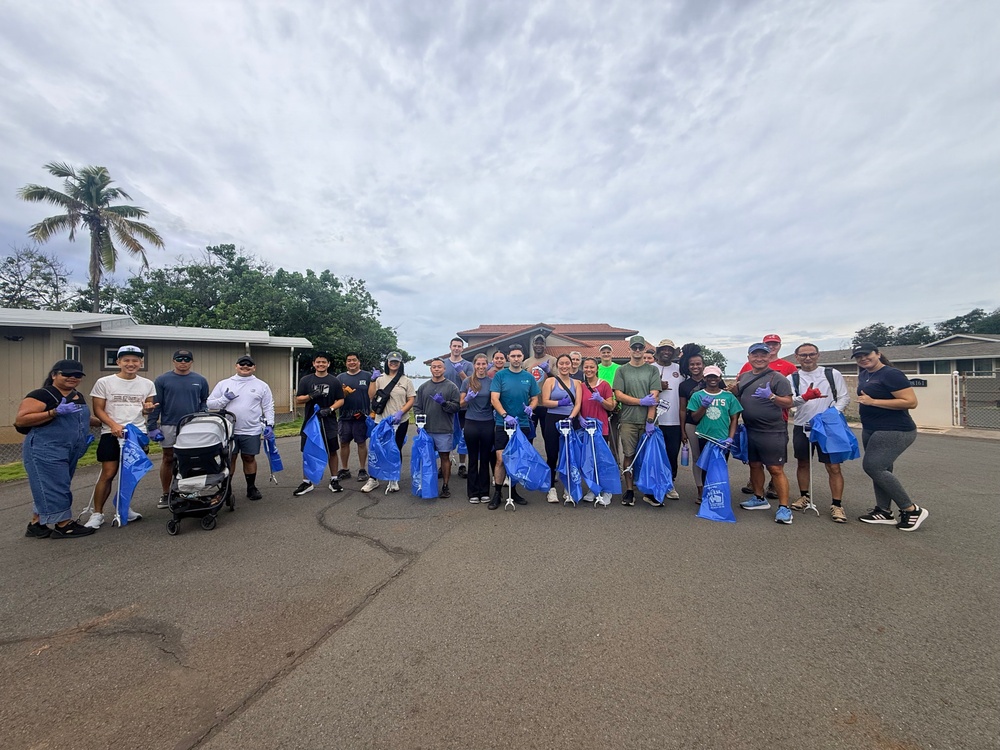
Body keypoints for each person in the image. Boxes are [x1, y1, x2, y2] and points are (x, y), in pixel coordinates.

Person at [18, 360, 99, 538]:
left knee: (49, 485)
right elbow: (21, 420)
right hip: (46, 448)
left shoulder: (77, 396)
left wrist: (107, 421)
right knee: (56, 486)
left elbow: (84, 418)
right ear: (54, 375)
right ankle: (64, 525)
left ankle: (37, 524)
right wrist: (53, 412)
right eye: (67, 374)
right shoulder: (41, 395)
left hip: (70, 449)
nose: (72, 378)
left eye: (77, 375)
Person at [852, 342, 927, 530]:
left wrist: (873, 401)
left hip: (895, 429)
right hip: (871, 429)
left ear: (878, 354)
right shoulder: (865, 374)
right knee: (883, 469)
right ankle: (883, 511)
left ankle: (911, 509)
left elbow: (910, 402)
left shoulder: (891, 374)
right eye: (859, 356)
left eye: (867, 354)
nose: (863, 358)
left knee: (873, 467)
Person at [85, 345, 156, 528]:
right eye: (126, 360)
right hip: (111, 433)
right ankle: (97, 513)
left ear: (140, 362)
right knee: (108, 473)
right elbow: (98, 409)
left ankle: (123, 507)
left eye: (135, 360)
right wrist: (113, 425)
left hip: (136, 434)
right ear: (118, 362)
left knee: (130, 474)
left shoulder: (147, 384)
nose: (131, 364)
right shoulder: (104, 382)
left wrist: (147, 409)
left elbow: (147, 408)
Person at [786, 343, 851, 523]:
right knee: (803, 463)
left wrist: (832, 413)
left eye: (811, 354)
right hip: (802, 424)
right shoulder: (792, 378)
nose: (808, 358)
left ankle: (837, 504)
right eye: (803, 355)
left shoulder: (832, 374)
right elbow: (789, 402)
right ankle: (804, 495)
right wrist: (805, 397)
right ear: (797, 357)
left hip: (827, 426)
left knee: (834, 466)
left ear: (818, 355)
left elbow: (844, 397)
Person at [734, 343, 795, 524]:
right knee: (754, 465)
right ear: (749, 358)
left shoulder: (778, 378)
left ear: (769, 358)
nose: (759, 358)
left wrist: (772, 397)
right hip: (750, 428)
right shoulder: (744, 377)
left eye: (763, 355)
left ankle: (784, 508)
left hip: (772, 430)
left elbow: (789, 403)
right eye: (755, 355)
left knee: (775, 469)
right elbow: (737, 398)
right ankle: (759, 498)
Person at [146, 349, 209, 508]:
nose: (183, 362)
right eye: (179, 359)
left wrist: (203, 412)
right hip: (169, 425)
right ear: (173, 361)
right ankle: (166, 493)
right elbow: (156, 405)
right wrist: (152, 426)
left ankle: (190, 491)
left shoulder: (200, 380)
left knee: (190, 458)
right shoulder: (162, 380)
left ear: (191, 362)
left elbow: (203, 401)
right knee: (168, 458)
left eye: (187, 359)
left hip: (192, 426)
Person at [207, 355, 275, 501]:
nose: (245, 366)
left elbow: (268, 406)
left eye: (249, 365)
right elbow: (210, 404)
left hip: (252, 429)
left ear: (254, 367)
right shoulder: (224, 384)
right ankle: (226, 489)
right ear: (236, 366)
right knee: (230, 458)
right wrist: (224, 399)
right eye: (242, 364)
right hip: (229, 430)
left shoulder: (261, 385)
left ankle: (251, 487)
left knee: (249, 457)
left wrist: (270, 424)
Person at [488, 343, 540, 509]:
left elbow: (535, 398)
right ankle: (497, 492)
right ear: (508, 358)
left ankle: (513, 490)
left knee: (517, 460)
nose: (516, 359)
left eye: (519, 356)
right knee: (500, 459)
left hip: (522, 424)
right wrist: (505, 415)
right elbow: (494, 399)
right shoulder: (500, 376)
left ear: (522, 357)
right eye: (513, 356)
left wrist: (530, 408)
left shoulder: (528, 377)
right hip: (503, 423)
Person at [612, 335, 661, 507]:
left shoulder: (652, 370)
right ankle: (630, 490)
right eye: (635, 348)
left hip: (647, 421)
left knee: (649, 457)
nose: (638, 350)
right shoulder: (622, 371)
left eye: (641, 347)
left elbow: (654, 395)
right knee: (629, 455)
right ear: (630, 350)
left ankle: (648, 491)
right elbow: (619, 395)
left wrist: (649, 420)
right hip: (628, 420)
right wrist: (640, 401)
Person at [290, 353, 345, 496]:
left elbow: (341, 399)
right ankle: (307, 482)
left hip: (329, 421)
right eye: (318, 362)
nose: (321, 364)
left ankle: (334, 479)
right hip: (310, 422)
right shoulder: (306, 380)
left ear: (328, 364)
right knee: (308, 451)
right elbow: (298, 399)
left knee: (332, 451)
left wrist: (330, 409)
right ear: (314, 364)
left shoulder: (334, 381)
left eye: (324, 362)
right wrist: (311, 396)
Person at [363, 352, 416, 493]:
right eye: (391, 361)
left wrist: (401, 412)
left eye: (396, 362)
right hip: (381, 420)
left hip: (400, 420)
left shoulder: (406, 381)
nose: (393, 364)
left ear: (400, 363)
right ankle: (373, 478)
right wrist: (373, 380)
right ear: (387, 362)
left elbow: (411, 399)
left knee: (395, 449)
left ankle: (393, 478)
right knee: (377, 449)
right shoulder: (380, 379)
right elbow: (371, 395)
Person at [539, 354, 583, 502]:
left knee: (570, 455)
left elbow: (578, 403)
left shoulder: (576, 383)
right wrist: (559, 404)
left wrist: (571, 417)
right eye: (561, 363)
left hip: (570, 420)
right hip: (552, 419)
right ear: (557, 366)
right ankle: (551, 488)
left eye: (567, 363)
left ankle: (568, 487)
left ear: (571, 365)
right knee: (552, 454)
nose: (564, 366)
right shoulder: (550, 381)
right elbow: (544, 401)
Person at [416, 359, 462, 497]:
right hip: (427, 429)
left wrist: (444, 403)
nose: (436, 369)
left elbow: (456, 407)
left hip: (444, 429)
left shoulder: (452, 387)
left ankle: (446, 486)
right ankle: (427, 484)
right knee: (427, 458)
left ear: (444, 369)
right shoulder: (423, 387)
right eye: (434, 367)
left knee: (444, 457)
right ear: (430, 369)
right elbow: (417, 407)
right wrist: (419, 423)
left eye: (439, 367)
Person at [578, 356, 616, 506]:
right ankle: (593, 488)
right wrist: (580, 418)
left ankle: (607, 491)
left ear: (597, 368)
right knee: (589, 459)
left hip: (601, 428)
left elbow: (611, 406)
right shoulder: (580, 386)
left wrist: (601, 400)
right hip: (586, 428)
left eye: (591, 367)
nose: (589, 370)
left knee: (601, 459)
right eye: (586, 367)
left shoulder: (605, 385)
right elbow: (578, 405)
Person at [460, 354, 495, 503]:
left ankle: (484, 491)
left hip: (487, 422)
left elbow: (495, 401)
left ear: (488, 365)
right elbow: (461, 403)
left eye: (483, 364)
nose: (481, 367)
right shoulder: (467, 382)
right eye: (478, 364)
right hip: (471, 422)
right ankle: (473, 492)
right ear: (474, 365)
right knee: (473, 458)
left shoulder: (492, 382)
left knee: (485, 458)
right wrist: (467, 399)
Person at [687, 366, 742, 458]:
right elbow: (695, 418)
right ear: (704, 378)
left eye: (715, 376)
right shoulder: (697, 395)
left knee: (720, 468)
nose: (712, 379)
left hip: (723, 439)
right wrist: (703, 407)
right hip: (704, 437)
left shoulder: (728, 397)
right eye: (709, 376)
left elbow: (734, 419)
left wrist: (730, 438)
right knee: (705, 469)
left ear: (720, 378)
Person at [651, 339, 683, 500]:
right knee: (655, 453)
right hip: (655, 420)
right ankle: (655, 482)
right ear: (658, 351)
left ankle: (670, 483)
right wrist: (658, 386)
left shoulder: (680, 369)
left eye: (670, 350)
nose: (667, 352)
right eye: (664, 349)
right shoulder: (650, 369)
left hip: (675, 420)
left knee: (672, 453)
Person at [337, 352, 372, 484]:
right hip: (344, 416)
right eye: (349, 360)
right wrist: (343, 393)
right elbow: (336, 397)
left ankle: (362, 469)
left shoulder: (367, 376)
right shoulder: (340, 377)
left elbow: (374, 394)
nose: (352, 362)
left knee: (361, 443)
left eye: (354, 360)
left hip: (361, 416)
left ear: (359, 362)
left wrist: (371, 412)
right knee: (344, 443)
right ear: (346, 363)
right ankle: (345, 469)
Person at [678, 345, 707, 502]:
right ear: (688, 367)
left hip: (713, 426)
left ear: (703, 365)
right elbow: (682, 409)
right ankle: (700, 489)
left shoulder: (713, 380)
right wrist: (682, 430)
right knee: (697, 457)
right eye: (692, 364)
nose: (695, 367)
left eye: (698, 364)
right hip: (692, 424)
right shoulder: (684, 385)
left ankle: (713, 487)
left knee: (712, 457)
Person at [443, 337, 470, 479]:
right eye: (454, 346)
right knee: (445, 435)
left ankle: (462, 465)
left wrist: (461, 372)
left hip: (463, 406)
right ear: (450, 347)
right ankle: (443, 464)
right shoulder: (443, 364)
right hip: (446, 405)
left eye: (459, 346)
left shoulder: (468, 365)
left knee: (463, 436)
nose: (457, 348)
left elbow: (472, 383)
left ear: (462, 348)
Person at [524, 334, 557, 440]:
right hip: (531, 405)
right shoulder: (526, 362)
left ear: (545, 345)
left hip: (546, 404)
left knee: (548, 436)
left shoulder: (552, 360)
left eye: (541, 343)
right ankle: (529, 457)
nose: (539, 345)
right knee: (529, 436)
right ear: (533, 345)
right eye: (536, 343)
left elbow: (558, 380)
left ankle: (550, 457)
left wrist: (548, 371)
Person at [597, 343, 622, 463]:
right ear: (600, 354)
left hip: (615, 407)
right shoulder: (596, 368)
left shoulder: (619, 368)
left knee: (614, 438)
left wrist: (615, 403)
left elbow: (621, 387)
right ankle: (600, 464)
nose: (606, 354)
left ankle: (615, 464)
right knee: (600, 437)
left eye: (608, 352)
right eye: (603, 352)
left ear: (612, 354)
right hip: (599, 407)